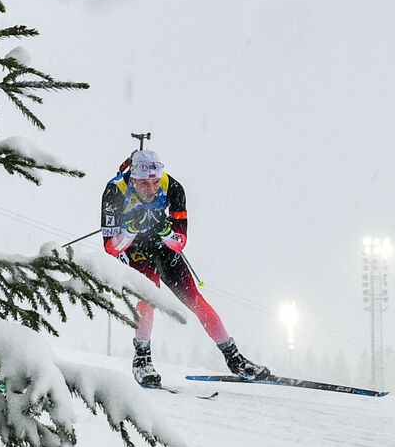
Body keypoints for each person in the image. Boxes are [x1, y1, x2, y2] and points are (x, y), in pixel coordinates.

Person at [100, 150, 270, 387]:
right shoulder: (115, 191)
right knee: (147, 300)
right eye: (144, 184)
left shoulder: (173, 187)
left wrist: (165, 231)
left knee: (196, 300)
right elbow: (111, 248)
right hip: (134, 250)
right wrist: (130, 230)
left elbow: (179, 242)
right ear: (133, 180)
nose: (151, 189)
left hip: (163, 248)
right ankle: (142, 361)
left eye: (154, 182)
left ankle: (234, 358)